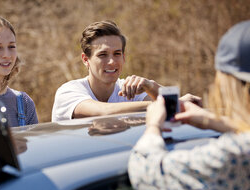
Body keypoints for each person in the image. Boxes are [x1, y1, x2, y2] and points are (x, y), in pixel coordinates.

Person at [128, 19, 250, 190]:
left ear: (230, 84)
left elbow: (148, 172)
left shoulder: (239, 156)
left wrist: (153, 125)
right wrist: (218, 122)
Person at [51, 20, 200, 122]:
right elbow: (104, 112)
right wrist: (163, 104)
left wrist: (151, 86)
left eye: (117, 54)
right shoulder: (68, 91)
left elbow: (177, 111)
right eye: (103, 55)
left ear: (124, 57)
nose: (111, 61)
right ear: (85, 60)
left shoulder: (129, 90)